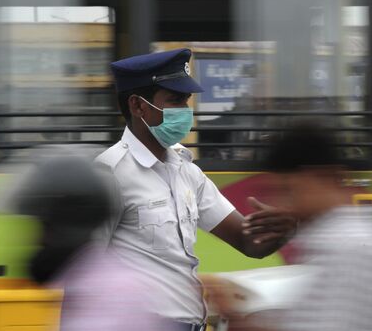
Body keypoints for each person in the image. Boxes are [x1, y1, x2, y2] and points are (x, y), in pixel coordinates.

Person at [95, 48, 297, 330]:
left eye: (186, 100)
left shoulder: (187, 171)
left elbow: (248, 242)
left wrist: (282, 229)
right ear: (137, 106)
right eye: (175, 100)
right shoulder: (109, 175)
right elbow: (84, 271)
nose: (185, 110)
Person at [210, 123, 372, 331]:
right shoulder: (339, 240)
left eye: (288, 190)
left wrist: (239, 322)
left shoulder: (345, 248)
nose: (281, 204)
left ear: (324, 177)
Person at [13, 155, 170, 331]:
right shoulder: (80, 286)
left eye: (43, 227)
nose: (37, 241)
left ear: (65, 224)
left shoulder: (113, 295)